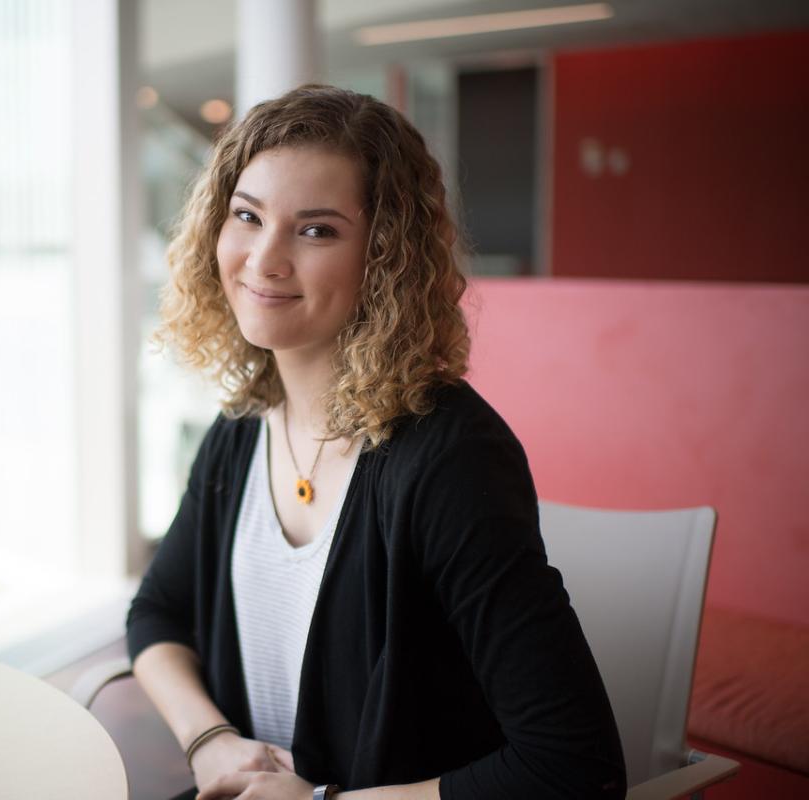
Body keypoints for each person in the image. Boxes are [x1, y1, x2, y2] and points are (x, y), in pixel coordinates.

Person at [126, 84, 626, 800]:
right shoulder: (241, 431)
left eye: (316, 230)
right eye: (248, 216)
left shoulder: (453, 461)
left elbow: (573, 766)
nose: (264, 260)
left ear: (383, 260)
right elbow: (157, 614)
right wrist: (212, 744)